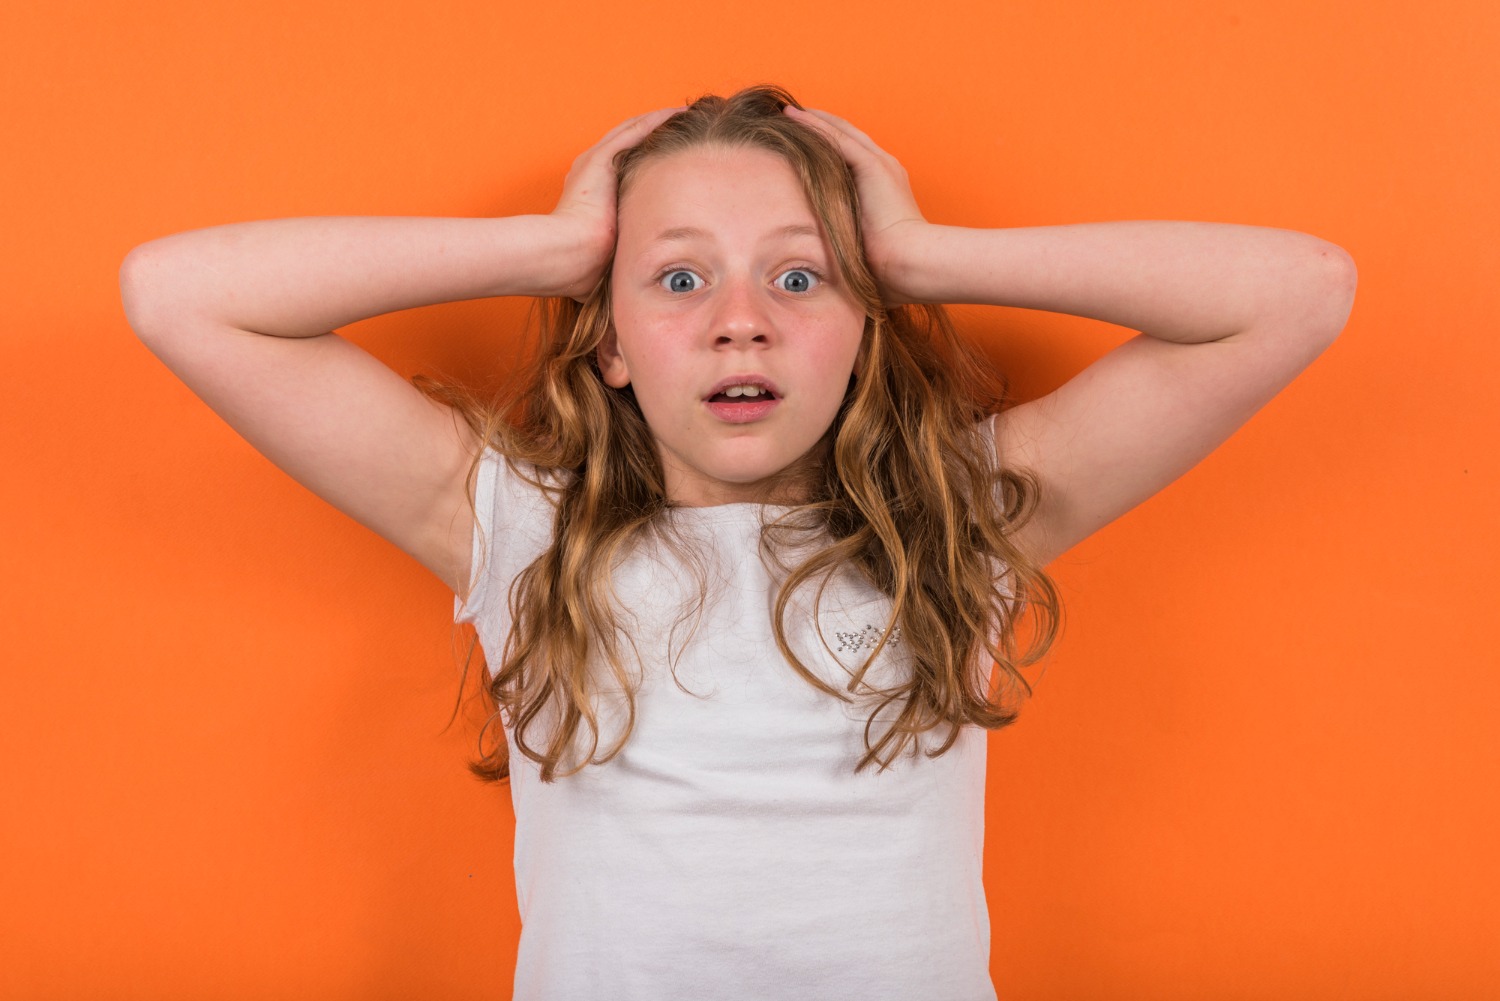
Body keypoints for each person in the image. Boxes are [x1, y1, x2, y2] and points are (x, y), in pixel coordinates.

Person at [120, 85, 1356, 1000]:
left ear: (868, 325)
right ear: (607, 342)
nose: (740, 326)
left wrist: (927, 257)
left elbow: (1300, 289)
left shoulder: (956, 518)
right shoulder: (517, 528)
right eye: (677, 281)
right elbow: (177, 294)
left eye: (802, 279)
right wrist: (549, 250)